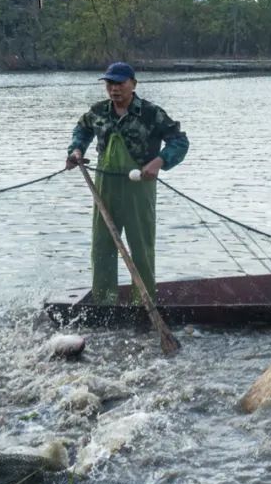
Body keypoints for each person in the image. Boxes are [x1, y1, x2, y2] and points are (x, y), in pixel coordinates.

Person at [66, 62, 189, 304]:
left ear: (133, 84)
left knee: (140, 248)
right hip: (105, 186)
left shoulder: (152, 113)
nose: (115, 89)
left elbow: (180, 142)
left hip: (138, 189)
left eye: (120, 83)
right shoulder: (98, 112)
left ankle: (143, 302)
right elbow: (81, 131)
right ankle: (104, 302)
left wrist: (160, 161)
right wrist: (76, 151)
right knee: (102, 246)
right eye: (110, 84)